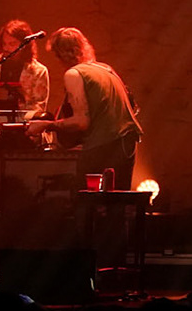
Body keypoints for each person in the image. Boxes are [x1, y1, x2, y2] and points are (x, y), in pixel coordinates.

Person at [29, 28, 142, 190]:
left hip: (104, 142)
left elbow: (81, 122)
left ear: (61, 54)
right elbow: (131, 106)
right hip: (127, 142)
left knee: (84, 195)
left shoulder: (74, 74)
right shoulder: (105, 68)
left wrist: (46, 125)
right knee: (118, 197)